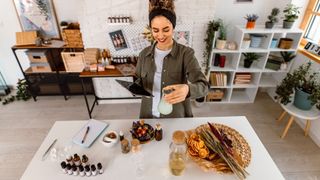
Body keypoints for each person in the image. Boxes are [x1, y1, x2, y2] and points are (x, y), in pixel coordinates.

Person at [135, 0, 209, 118]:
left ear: (173, 27)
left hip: (175, 116)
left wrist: (188, 90)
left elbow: (204, 86)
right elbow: (137, 80)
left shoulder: (186, 54)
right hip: (148, 116)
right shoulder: (143, 55)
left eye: (166, 30)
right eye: (155, 30)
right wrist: (134, 87)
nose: (160, 35)